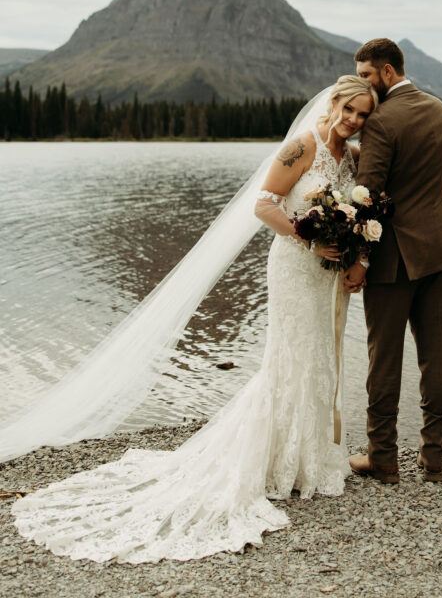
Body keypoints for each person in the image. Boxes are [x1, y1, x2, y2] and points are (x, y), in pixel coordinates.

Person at [11, 75, 378, 563]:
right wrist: (306, 236)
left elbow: (350, 212)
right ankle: (277, 462)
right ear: (333, 103)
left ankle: (310, 459)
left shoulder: (350, 157)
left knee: (321, 358)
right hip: (294, 267)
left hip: (325, 275)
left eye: (362, 115)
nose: (353, 120)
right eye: (349, 109)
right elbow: (263, 204)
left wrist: (353, 249)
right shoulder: (302, 145)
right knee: (291, 356)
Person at [346, 38, 442, 484]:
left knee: (383, 358)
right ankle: (434, 458)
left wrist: (360, 258)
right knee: (436, 354)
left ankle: (382, 458)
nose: (362, 85)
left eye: (365, 75)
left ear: (386, 71)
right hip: (439, 248)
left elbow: (366, 197)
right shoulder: (441, 110)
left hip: (393, 258)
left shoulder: (381, 120)